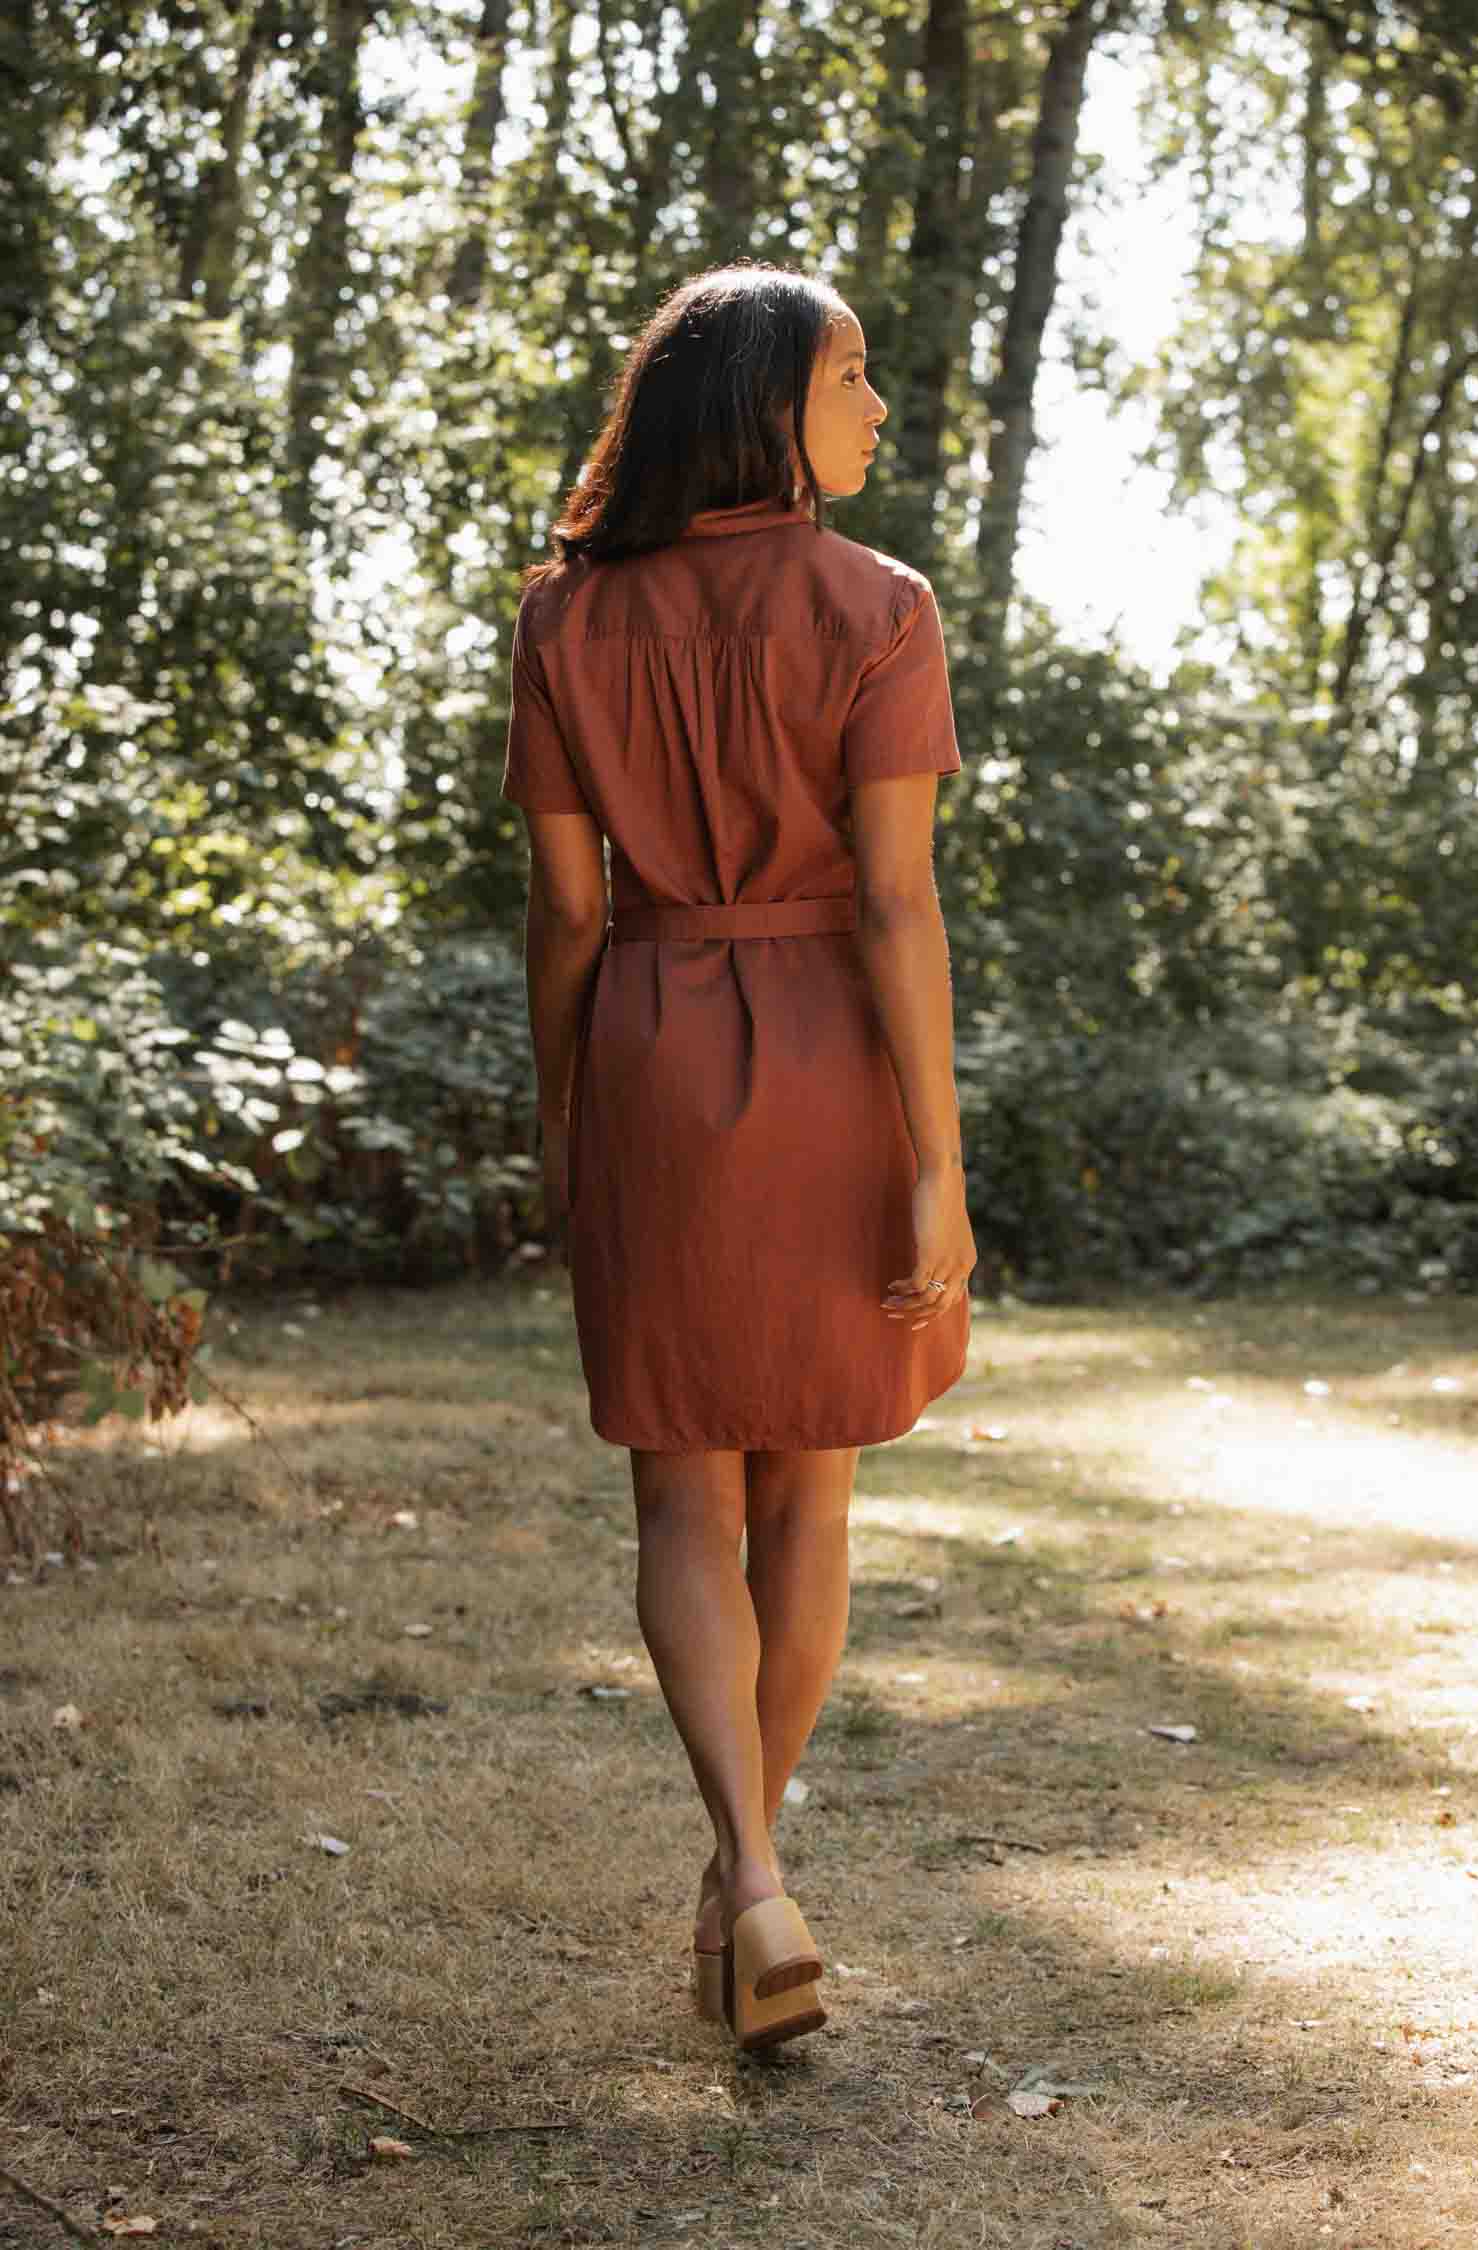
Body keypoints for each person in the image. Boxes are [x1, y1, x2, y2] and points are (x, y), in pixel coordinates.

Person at [501, 264, 977, 2053]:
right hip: (836, 1067)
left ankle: (747, 1877)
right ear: (768, 401)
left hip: (647, 1044)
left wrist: (564, 1106)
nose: (876, 410)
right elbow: (898, 897)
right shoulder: (880, 605)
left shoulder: (567, 620)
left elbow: (564, 909)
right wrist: (938, 1158)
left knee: (680, 1497)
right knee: (810, 1496)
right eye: (854, 376)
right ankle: (748, 1882)